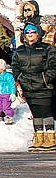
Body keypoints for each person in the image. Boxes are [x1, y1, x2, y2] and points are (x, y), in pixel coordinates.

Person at [12, 23, 56, 151]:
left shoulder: (47, 48)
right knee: (35, 113)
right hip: (28, 86)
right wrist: (20, 78)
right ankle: (39, 137)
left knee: (46, 112)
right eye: (27, 32)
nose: (30, 34)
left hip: (44, 86)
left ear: (38, 33)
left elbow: (53, 66)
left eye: (32, 32)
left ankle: (50, 138)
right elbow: (15, 66)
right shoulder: (20, 51)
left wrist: (45, 78)